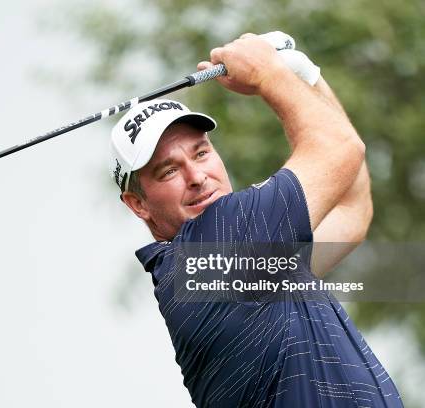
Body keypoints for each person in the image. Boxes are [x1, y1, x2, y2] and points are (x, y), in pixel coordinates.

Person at [109, 33, 403, 407]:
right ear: (138, 204)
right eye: (169, 171)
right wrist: (269, 75)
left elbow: (351, 209)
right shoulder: (213, 248)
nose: (197, 177)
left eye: (201, 153)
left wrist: (305, 76)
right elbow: (340, 148)